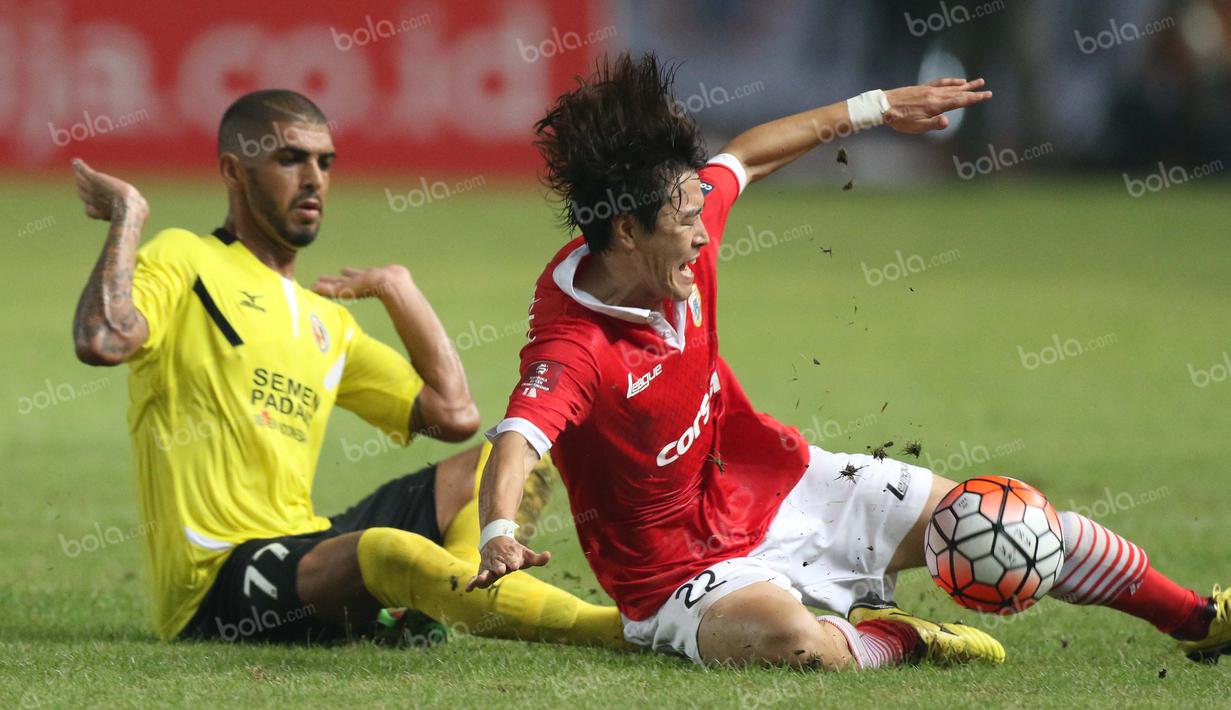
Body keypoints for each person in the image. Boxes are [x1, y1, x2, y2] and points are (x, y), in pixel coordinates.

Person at [468, 53, 1229, 669]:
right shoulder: (575, 345)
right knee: (794, 644)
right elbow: (519, 437)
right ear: (627, 233)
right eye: (685, 222)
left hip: (774, 479)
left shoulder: (672, 225)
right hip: (676, 573)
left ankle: (1196, 618)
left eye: (702, 214)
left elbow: (744, 156)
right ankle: (899, 638)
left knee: (995, 523)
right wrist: (498, 528)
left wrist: (874, 109)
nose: (703, 234)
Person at [70, 89, 626, 648]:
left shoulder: (323, 322)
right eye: (291, 159)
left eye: (324, 162)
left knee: (513, 457)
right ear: (234, 171)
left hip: (306, 546)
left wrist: (398, 289)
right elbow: (103, 337)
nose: (314, 177)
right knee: (384, 551)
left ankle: (442, 602)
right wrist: (129, 215)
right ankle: (621, 629)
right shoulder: (187, 259)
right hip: (220, 577)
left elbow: (453, 414)